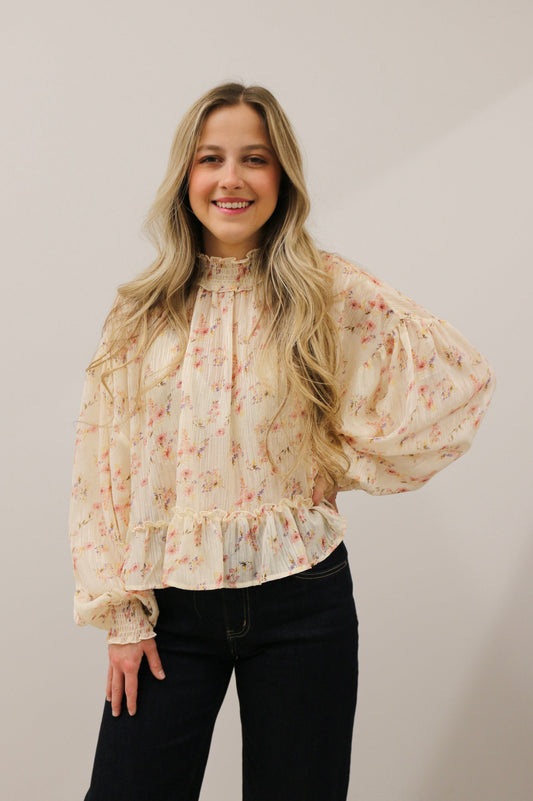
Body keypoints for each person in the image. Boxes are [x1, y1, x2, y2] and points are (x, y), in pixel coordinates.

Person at [69, 82, 495, 801]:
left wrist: (339, 457)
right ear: (186, 177)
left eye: (254, 159)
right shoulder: (141, 312)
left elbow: (457, 376)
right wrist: (122, 616)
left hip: (303, 597)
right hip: (169, 611)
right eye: (211, 158)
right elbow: (101, 466)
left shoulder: (326, 289)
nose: (231, 178)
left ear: (282, 177)